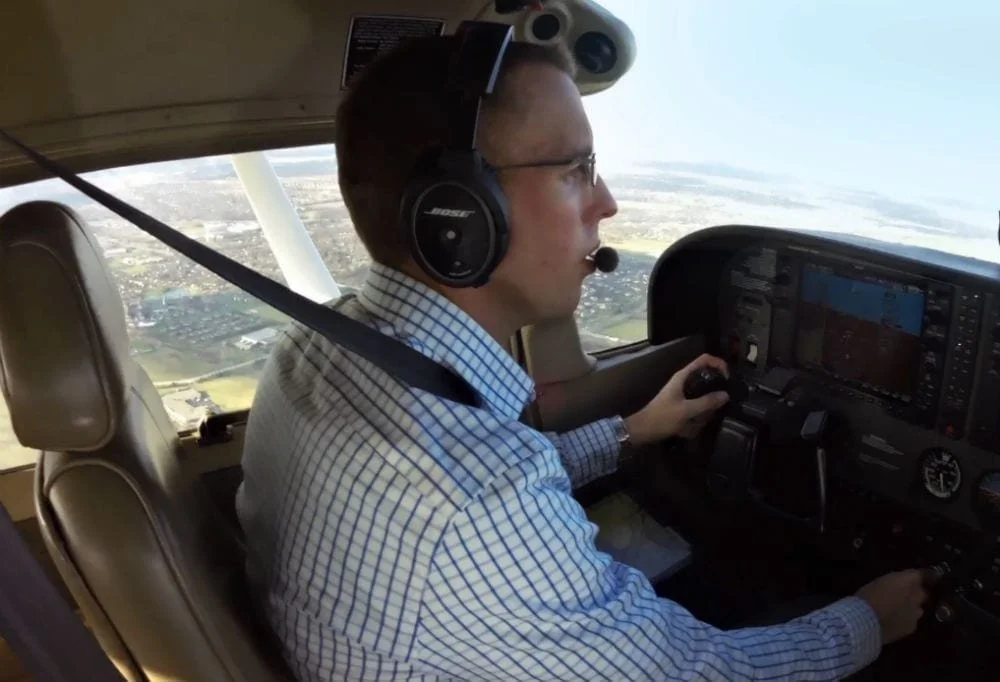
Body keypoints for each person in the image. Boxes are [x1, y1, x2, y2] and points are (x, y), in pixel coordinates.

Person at [235, 31, 929, 681]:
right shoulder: (475, 503)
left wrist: (633, 431)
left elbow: (486, 476)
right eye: (577, 169)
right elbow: (695, 674)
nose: (608, 202)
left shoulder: (316, 348)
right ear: (461, 214)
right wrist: (869, 621)